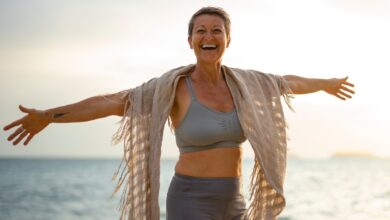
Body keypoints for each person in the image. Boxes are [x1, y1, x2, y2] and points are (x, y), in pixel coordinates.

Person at [3, 6, 354, 220]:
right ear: (190, 41)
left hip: (234, 199)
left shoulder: (247, 85)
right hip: (190, 200)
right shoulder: (171, 89)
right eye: (200, 30)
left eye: (217, 30)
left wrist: (324, 83)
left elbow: (286, 82)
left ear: (227, 40)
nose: (209, 35)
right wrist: (48, 116)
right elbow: (109, 102)